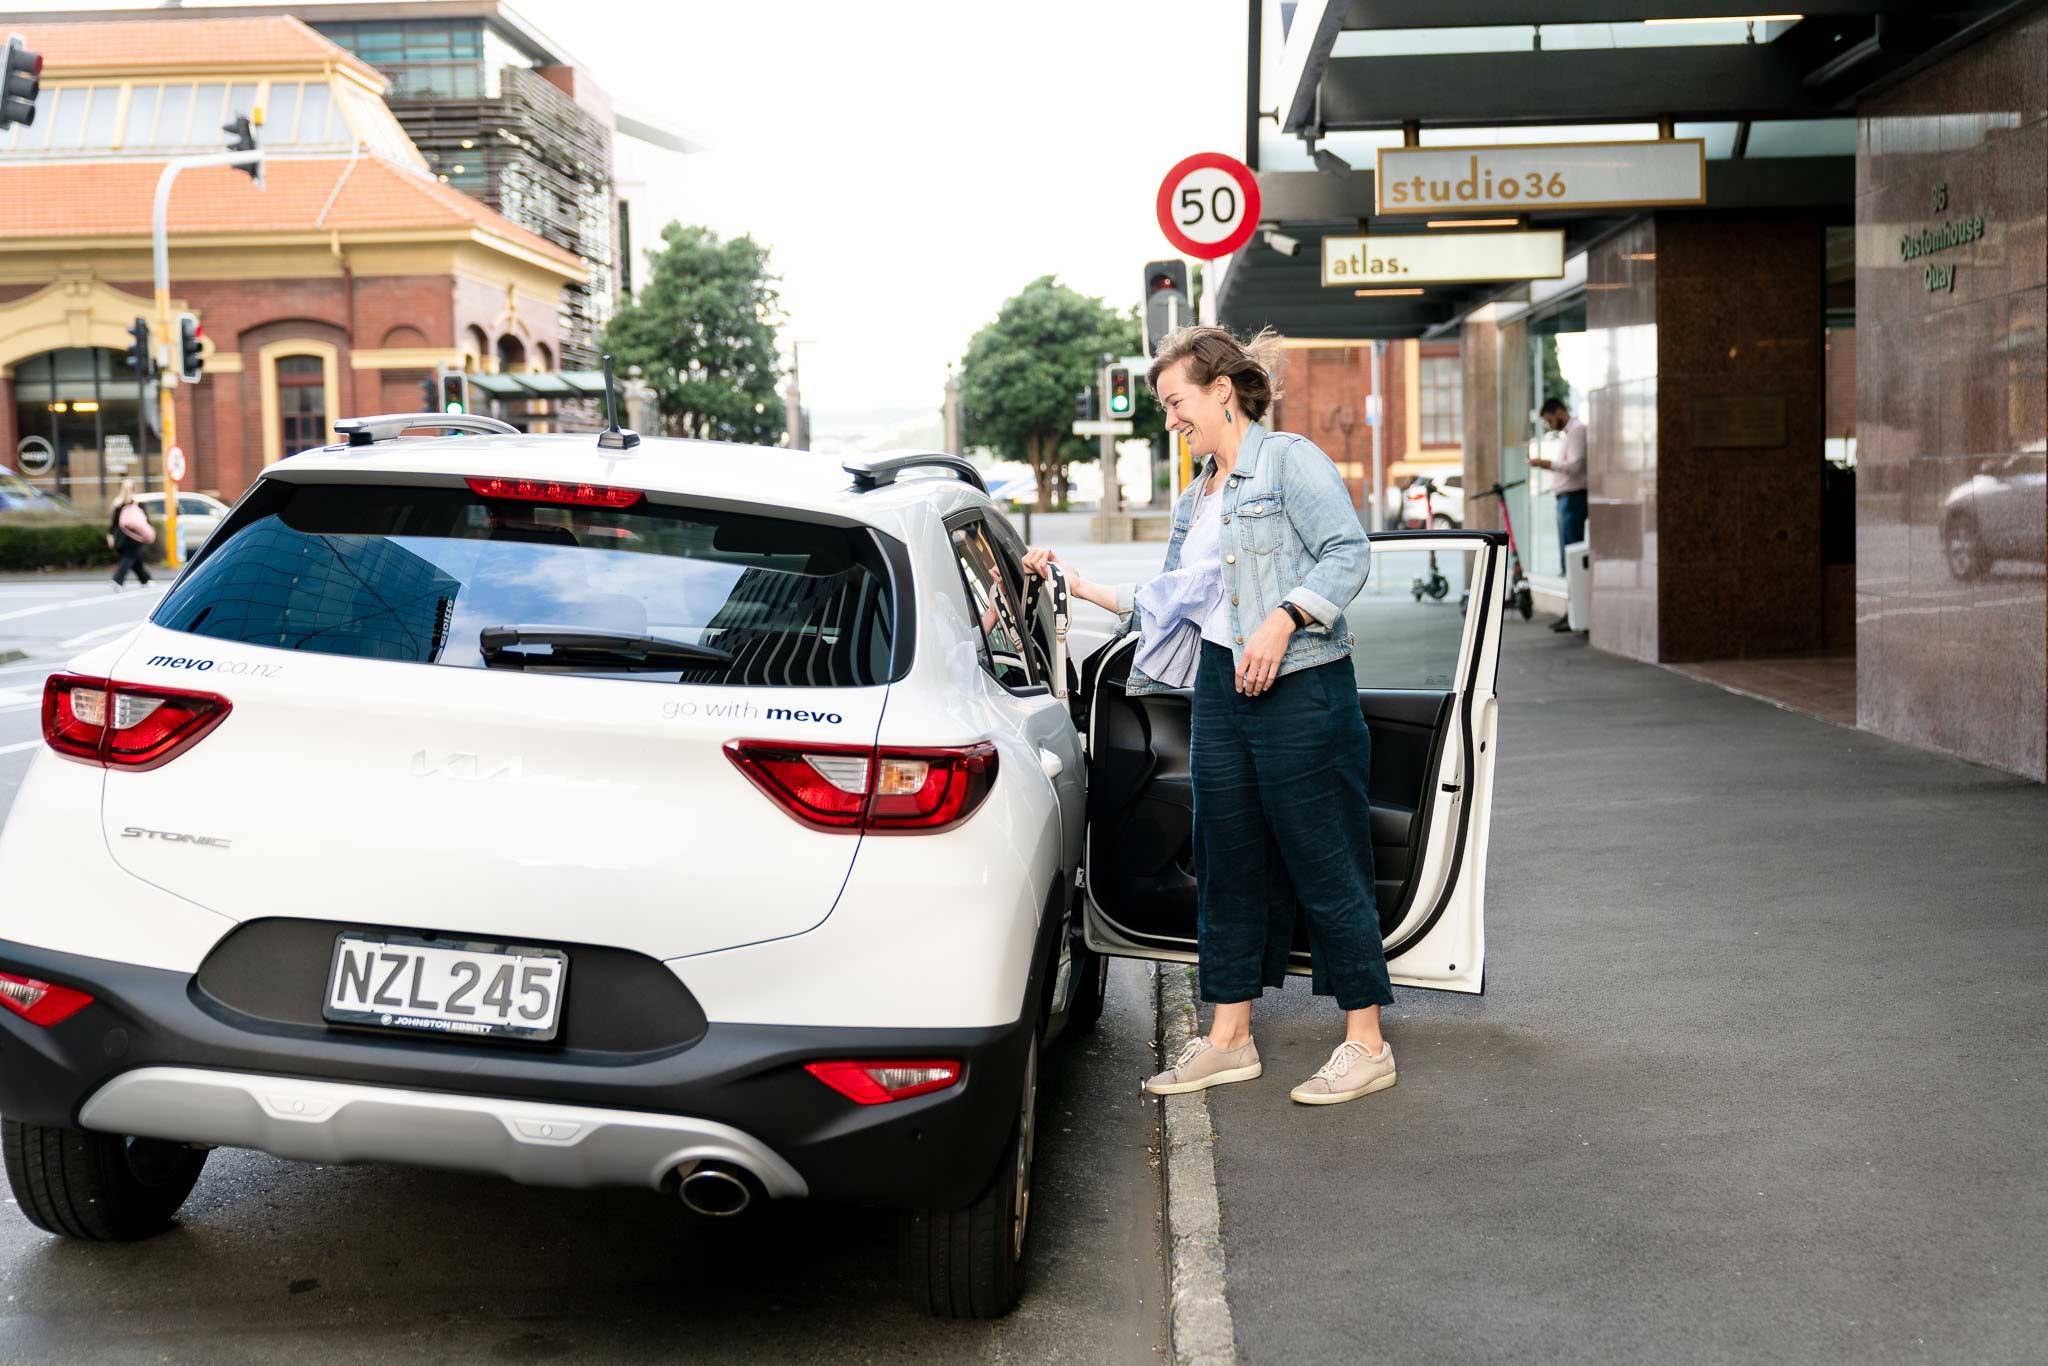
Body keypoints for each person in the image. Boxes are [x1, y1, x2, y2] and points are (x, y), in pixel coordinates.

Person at [1023, 325, 1397, 1107]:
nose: (1170, 420)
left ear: (1221, 390)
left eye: (1175, 402)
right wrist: (1080, 584)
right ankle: (1230, 1039)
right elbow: (1172, 605)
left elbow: (1347, 552)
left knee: (1325, 858)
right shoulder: (1198, 495)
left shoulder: (1288, 460)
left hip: (1303, 683)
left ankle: (1367, 1043)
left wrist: (1287, 615)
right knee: (1225, 859)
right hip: (1224, 689)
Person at [1527, 395, 1586, 633]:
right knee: (1567, 560)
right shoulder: (1569, 435)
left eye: (1549, 420)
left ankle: (1576, 612)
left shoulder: (1578, 432)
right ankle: (1572, 611)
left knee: (1572, 558)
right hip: (1566, 499)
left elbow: (1576, 466)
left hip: (1574, 498)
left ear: (1558, 412)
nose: (1550, 425)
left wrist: (1545, 464)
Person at [107, 481, 155, 590]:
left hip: (132, 537)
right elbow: (114, 523)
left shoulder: (134, 504)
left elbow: (145, 520)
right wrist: (110, 535)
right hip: (127, 537)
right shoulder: (121, 505)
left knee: (133, 558)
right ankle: (117, 580)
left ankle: (145, 580)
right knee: (130, 558)